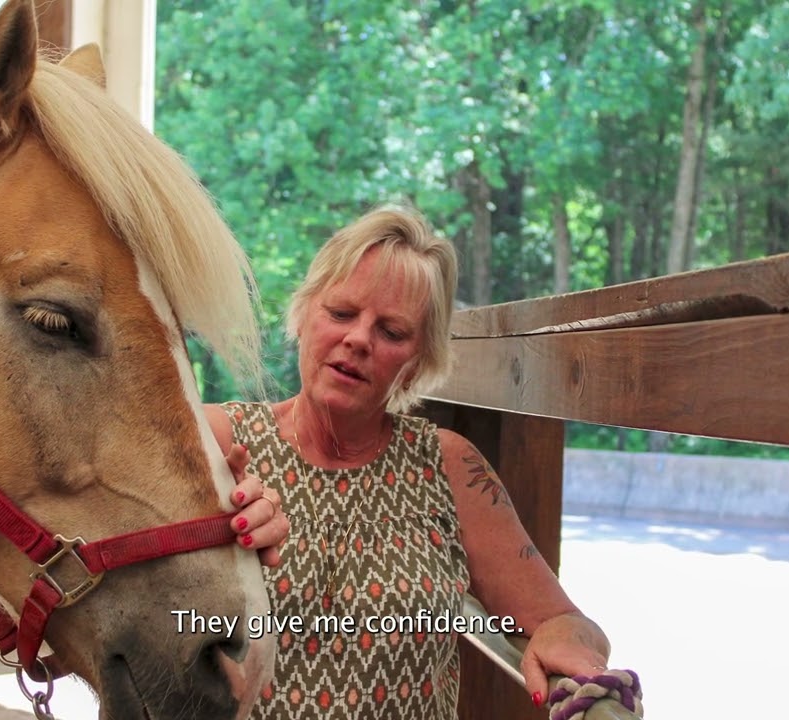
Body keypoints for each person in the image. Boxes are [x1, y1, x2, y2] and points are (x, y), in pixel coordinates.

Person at [206, 205, 611, 718]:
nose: (358, 339)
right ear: (305, 313)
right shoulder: (217, 442)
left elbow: (561, 621)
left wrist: (573, 646)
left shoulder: (448, 465)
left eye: (392, 332)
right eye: (341, 313)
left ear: (418, 362)